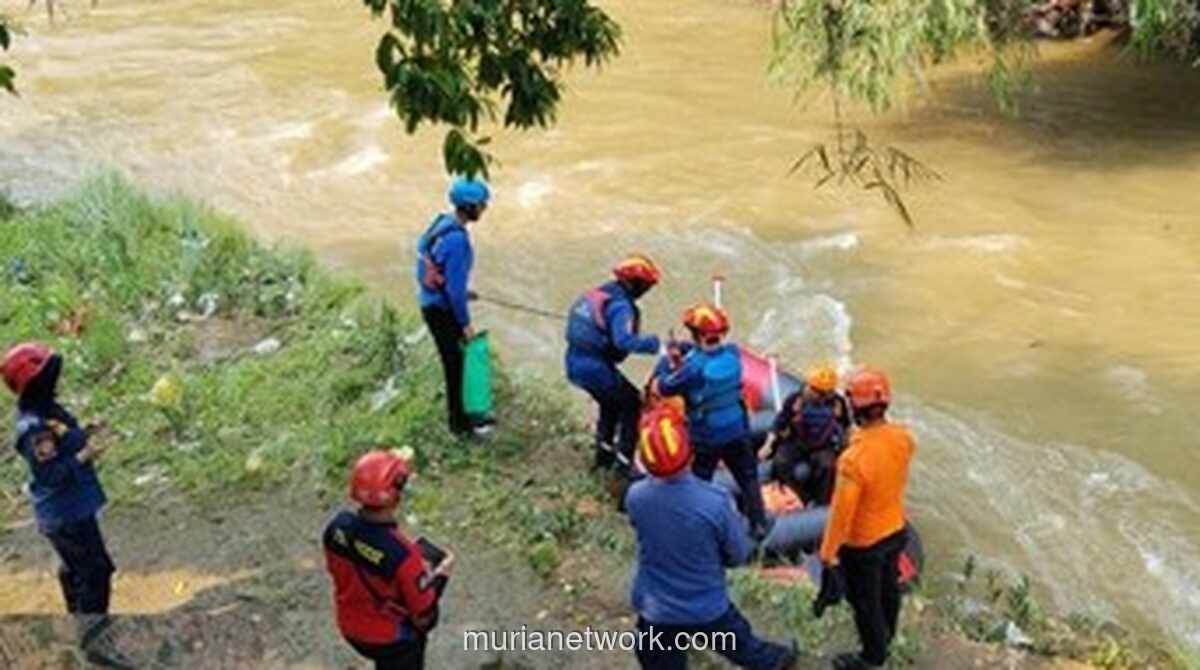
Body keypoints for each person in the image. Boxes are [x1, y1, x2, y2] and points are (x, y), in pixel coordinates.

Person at [625, 404, 796, 670]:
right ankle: (779, 661)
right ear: (690, 452)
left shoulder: (636, 496)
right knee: (747, 649)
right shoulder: (715, 501)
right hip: (706, 604)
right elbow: (737, 555)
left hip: (656, 607)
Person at [3, 343, 128, 667]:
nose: (55, 379)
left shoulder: (47, 411)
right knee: (96, 571)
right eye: (48, 375)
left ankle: (80, 624)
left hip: (70, 512)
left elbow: (61, 443)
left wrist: (84, 432)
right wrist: (82, 457)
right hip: (66, 514)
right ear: (35, 383)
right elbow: (52, 475)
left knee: (76, 569)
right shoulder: (35, 428)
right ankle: (96, 645)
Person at [817, 367, 916, 670]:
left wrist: (828, 553)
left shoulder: (853, 460)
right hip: (895, 529)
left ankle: (872, 657)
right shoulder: (903, 438)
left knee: (865, 602)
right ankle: (888, 636)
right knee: (888, 589)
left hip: (864, 543)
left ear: (853, 406)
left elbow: (842, 512)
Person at [323, 450, 454, 670]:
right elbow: (424, 617)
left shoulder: (336, 528)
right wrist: (441, 576)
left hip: (349, 627)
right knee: (412, 643)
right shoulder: (404, 555)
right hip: (390, 641)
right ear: (397, 494)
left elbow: (343, 569)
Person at [652, 304, 769, 539]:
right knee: (748, 477)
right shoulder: (734, 353)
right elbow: (707, 354)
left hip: (707, 435)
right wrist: (684, 351)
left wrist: (668, 362)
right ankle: (759, 524)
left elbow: (664, 386)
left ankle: (694, 526)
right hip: (737, 428)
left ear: (696, 334)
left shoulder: (692, 369)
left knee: (700, 480)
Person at [565, 254, 662, 473]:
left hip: (574, 362)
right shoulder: (621, 306)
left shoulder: (599, 293)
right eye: (645, 285)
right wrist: (655, 345)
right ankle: (624, 461)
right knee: (631, 404)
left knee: (609, 404)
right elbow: (623, 341)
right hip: (594, 367)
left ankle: (603, 458)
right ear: (634, 283)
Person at [416, 177, 491, 438]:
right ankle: (460, 427)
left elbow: (432, 262)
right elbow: (455, 292)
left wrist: (455, 289)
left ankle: (466, 416)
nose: (484, 209)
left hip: (432, 302)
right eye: (482, 205)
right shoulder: (458, 241)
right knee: (456, 366)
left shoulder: (441, 224)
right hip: (442, 310)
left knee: (457, 362)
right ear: (469, 207)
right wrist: (465, 324)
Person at [757, 364, 851, 507]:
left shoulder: (837, 403)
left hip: (822, 446)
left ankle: (823, 502)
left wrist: (846, 450)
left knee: (827, 466)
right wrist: (768, 445)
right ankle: (800, 495)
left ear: (826, 394)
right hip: (797, 442)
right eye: (809, 386)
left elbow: (845, 427)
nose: (808, 390)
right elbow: (779, 422)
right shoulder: (795, 400)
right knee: (781, 462)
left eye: (814, 389)